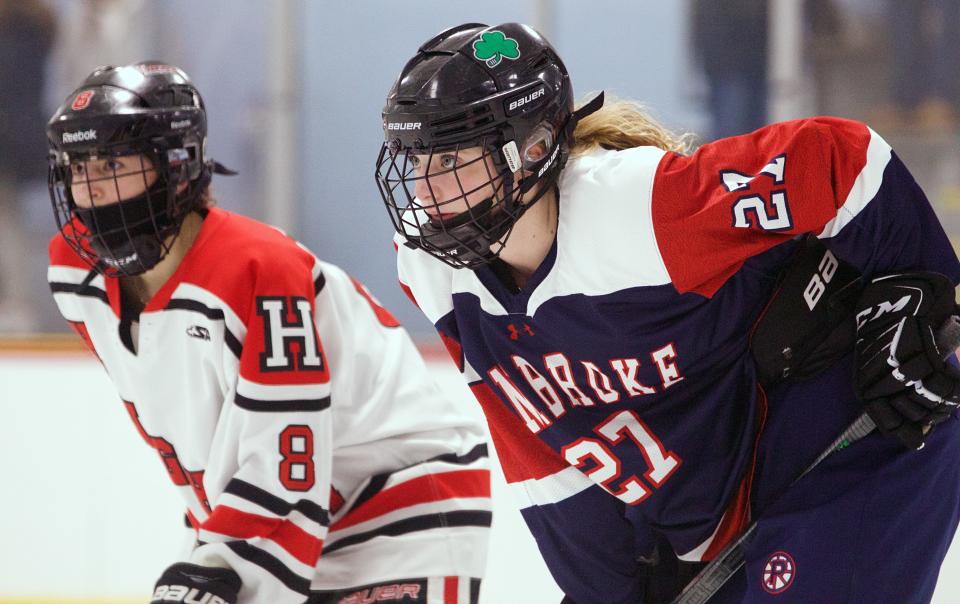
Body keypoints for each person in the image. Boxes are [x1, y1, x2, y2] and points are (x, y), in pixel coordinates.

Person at [374, 22, 960, 603]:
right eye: (415, 159)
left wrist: (915, 296)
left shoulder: (639, 209)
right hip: (732, 491)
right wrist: (610, 587)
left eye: (450, 158)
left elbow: (840, 159)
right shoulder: (432, 270)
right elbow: (539, 455)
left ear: (530, 150)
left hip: (864, 420)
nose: (424, 189)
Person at [47, 62, 490, 604]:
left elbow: (289, 456)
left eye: (112, 163)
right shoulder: (74, 271)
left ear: (176, 166)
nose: (89, 188)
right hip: (287, 507)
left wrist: (220, 562)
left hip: (403, 501)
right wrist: (215, 547)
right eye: (78, 167)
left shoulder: (258, 267)